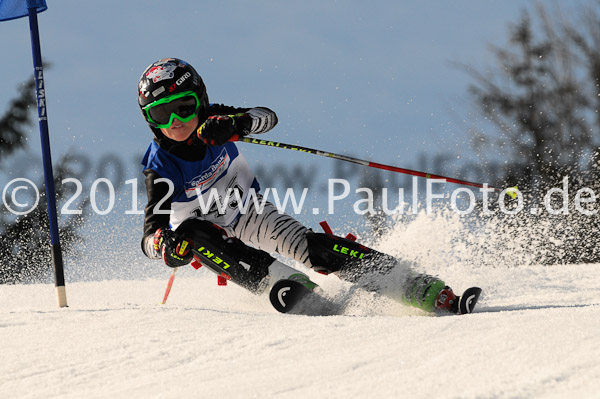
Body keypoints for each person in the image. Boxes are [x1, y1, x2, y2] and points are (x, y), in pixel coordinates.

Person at [138, 58, 460, 313]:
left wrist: (238, 124)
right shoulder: (160, 165)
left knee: (309, 246)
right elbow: (150, 234)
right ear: (150, 120)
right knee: (194, 234)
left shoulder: (215, 120)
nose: (175, 121)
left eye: (183, 107)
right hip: (204, 234)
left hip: (248, 212)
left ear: (201, 101)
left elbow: (267, 117)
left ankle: (411, 283)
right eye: (161, 114)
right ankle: (281, 281)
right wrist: (164, 246)